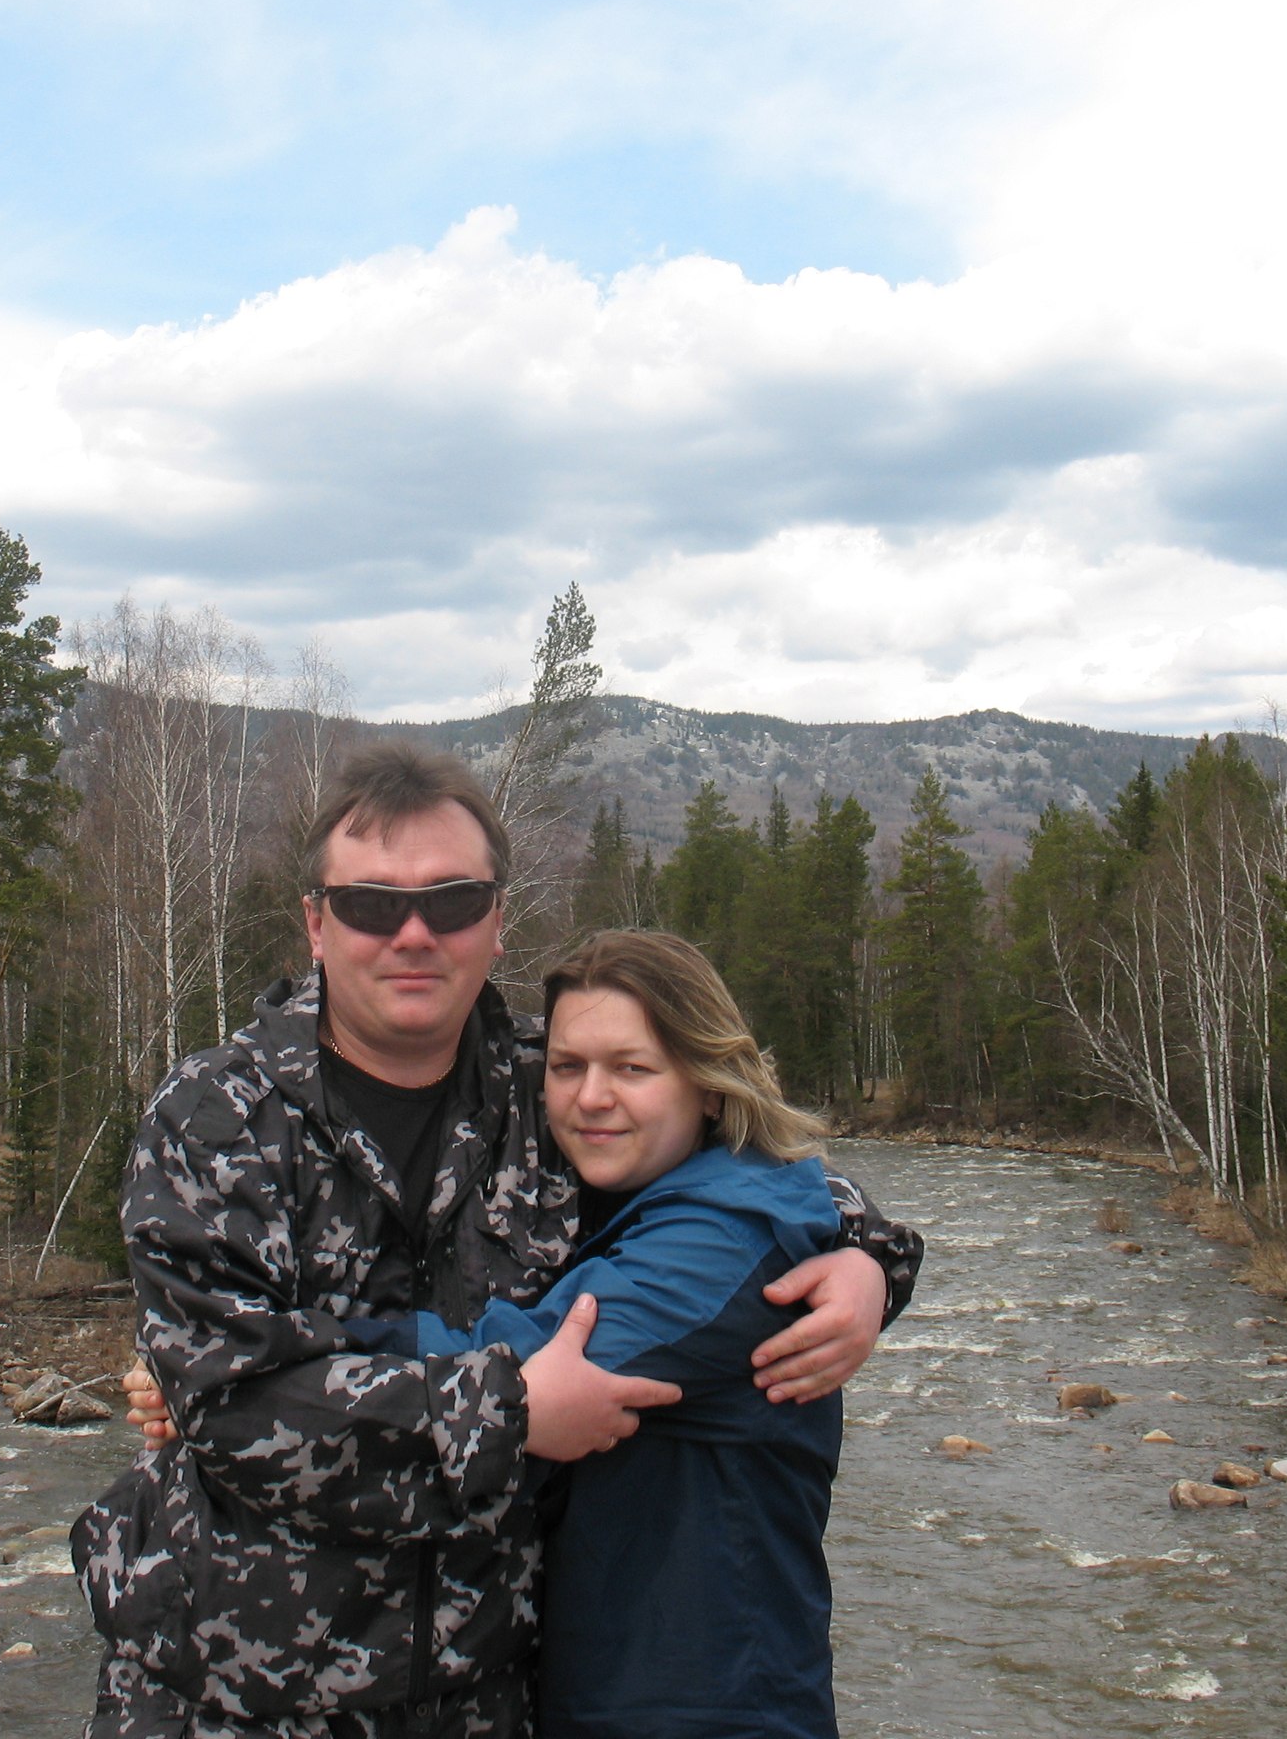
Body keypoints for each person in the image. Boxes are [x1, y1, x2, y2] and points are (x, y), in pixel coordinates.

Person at [75, 744, 921, 1739]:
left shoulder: (552, 1086)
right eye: (372, 904)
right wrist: (511, 1411)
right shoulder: (215, 1119)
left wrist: (867, 1256)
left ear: (497, 919)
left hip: (489, 1693)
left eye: (453, 900)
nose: (414, 934)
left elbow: (745, 1165)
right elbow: (236, 1406)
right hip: (238, 1695)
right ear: (316, 923)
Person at [355, 928, 849, 1739]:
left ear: (710, 1086)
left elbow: (515, 1361)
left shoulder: (728, 1238)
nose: (591, 1097)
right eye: (567, 1067)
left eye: (632, 1069)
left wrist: (266, 1358)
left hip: (710, 1709)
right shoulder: (667, 1196)